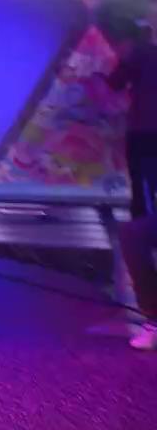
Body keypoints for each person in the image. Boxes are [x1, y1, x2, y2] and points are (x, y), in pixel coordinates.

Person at [112, 22, 157, 349]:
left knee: (139, 215)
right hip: (144, 132)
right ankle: (154, 319)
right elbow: (116, 83)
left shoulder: (139, 52)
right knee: (135, 231)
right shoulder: (141, 52)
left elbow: (114, 83)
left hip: (144, 133)